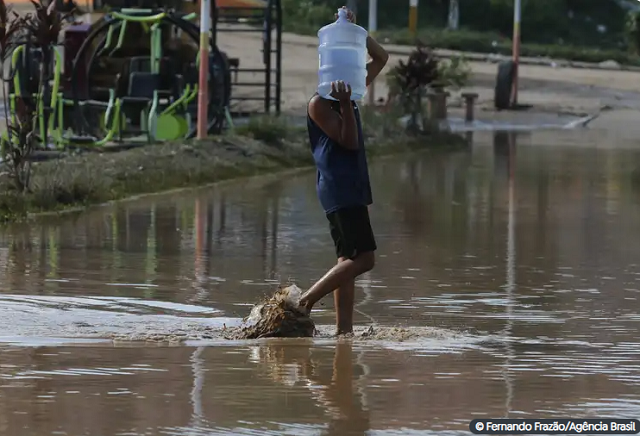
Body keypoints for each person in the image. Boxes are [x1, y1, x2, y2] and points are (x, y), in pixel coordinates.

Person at [298, 6, 389, 335]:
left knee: (346, 260)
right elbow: (348, 142)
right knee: (364, 259)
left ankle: (343, 332)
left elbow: (381, 58)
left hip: (349, 184)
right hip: (339, 187)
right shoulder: (320, 103)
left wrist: (356, 32)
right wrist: (348, 104)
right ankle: (305, 302)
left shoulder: (352, 88)